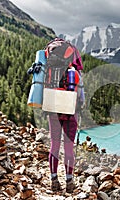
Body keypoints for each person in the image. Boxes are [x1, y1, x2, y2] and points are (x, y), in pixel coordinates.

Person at [44, 38, 85, 193]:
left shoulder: (50, 71)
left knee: (54, 145)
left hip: (53, 110)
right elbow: (81, 97)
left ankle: (54, 180)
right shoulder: (75, 74)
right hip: (71, 113)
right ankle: (69, 182)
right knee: (68, 147)